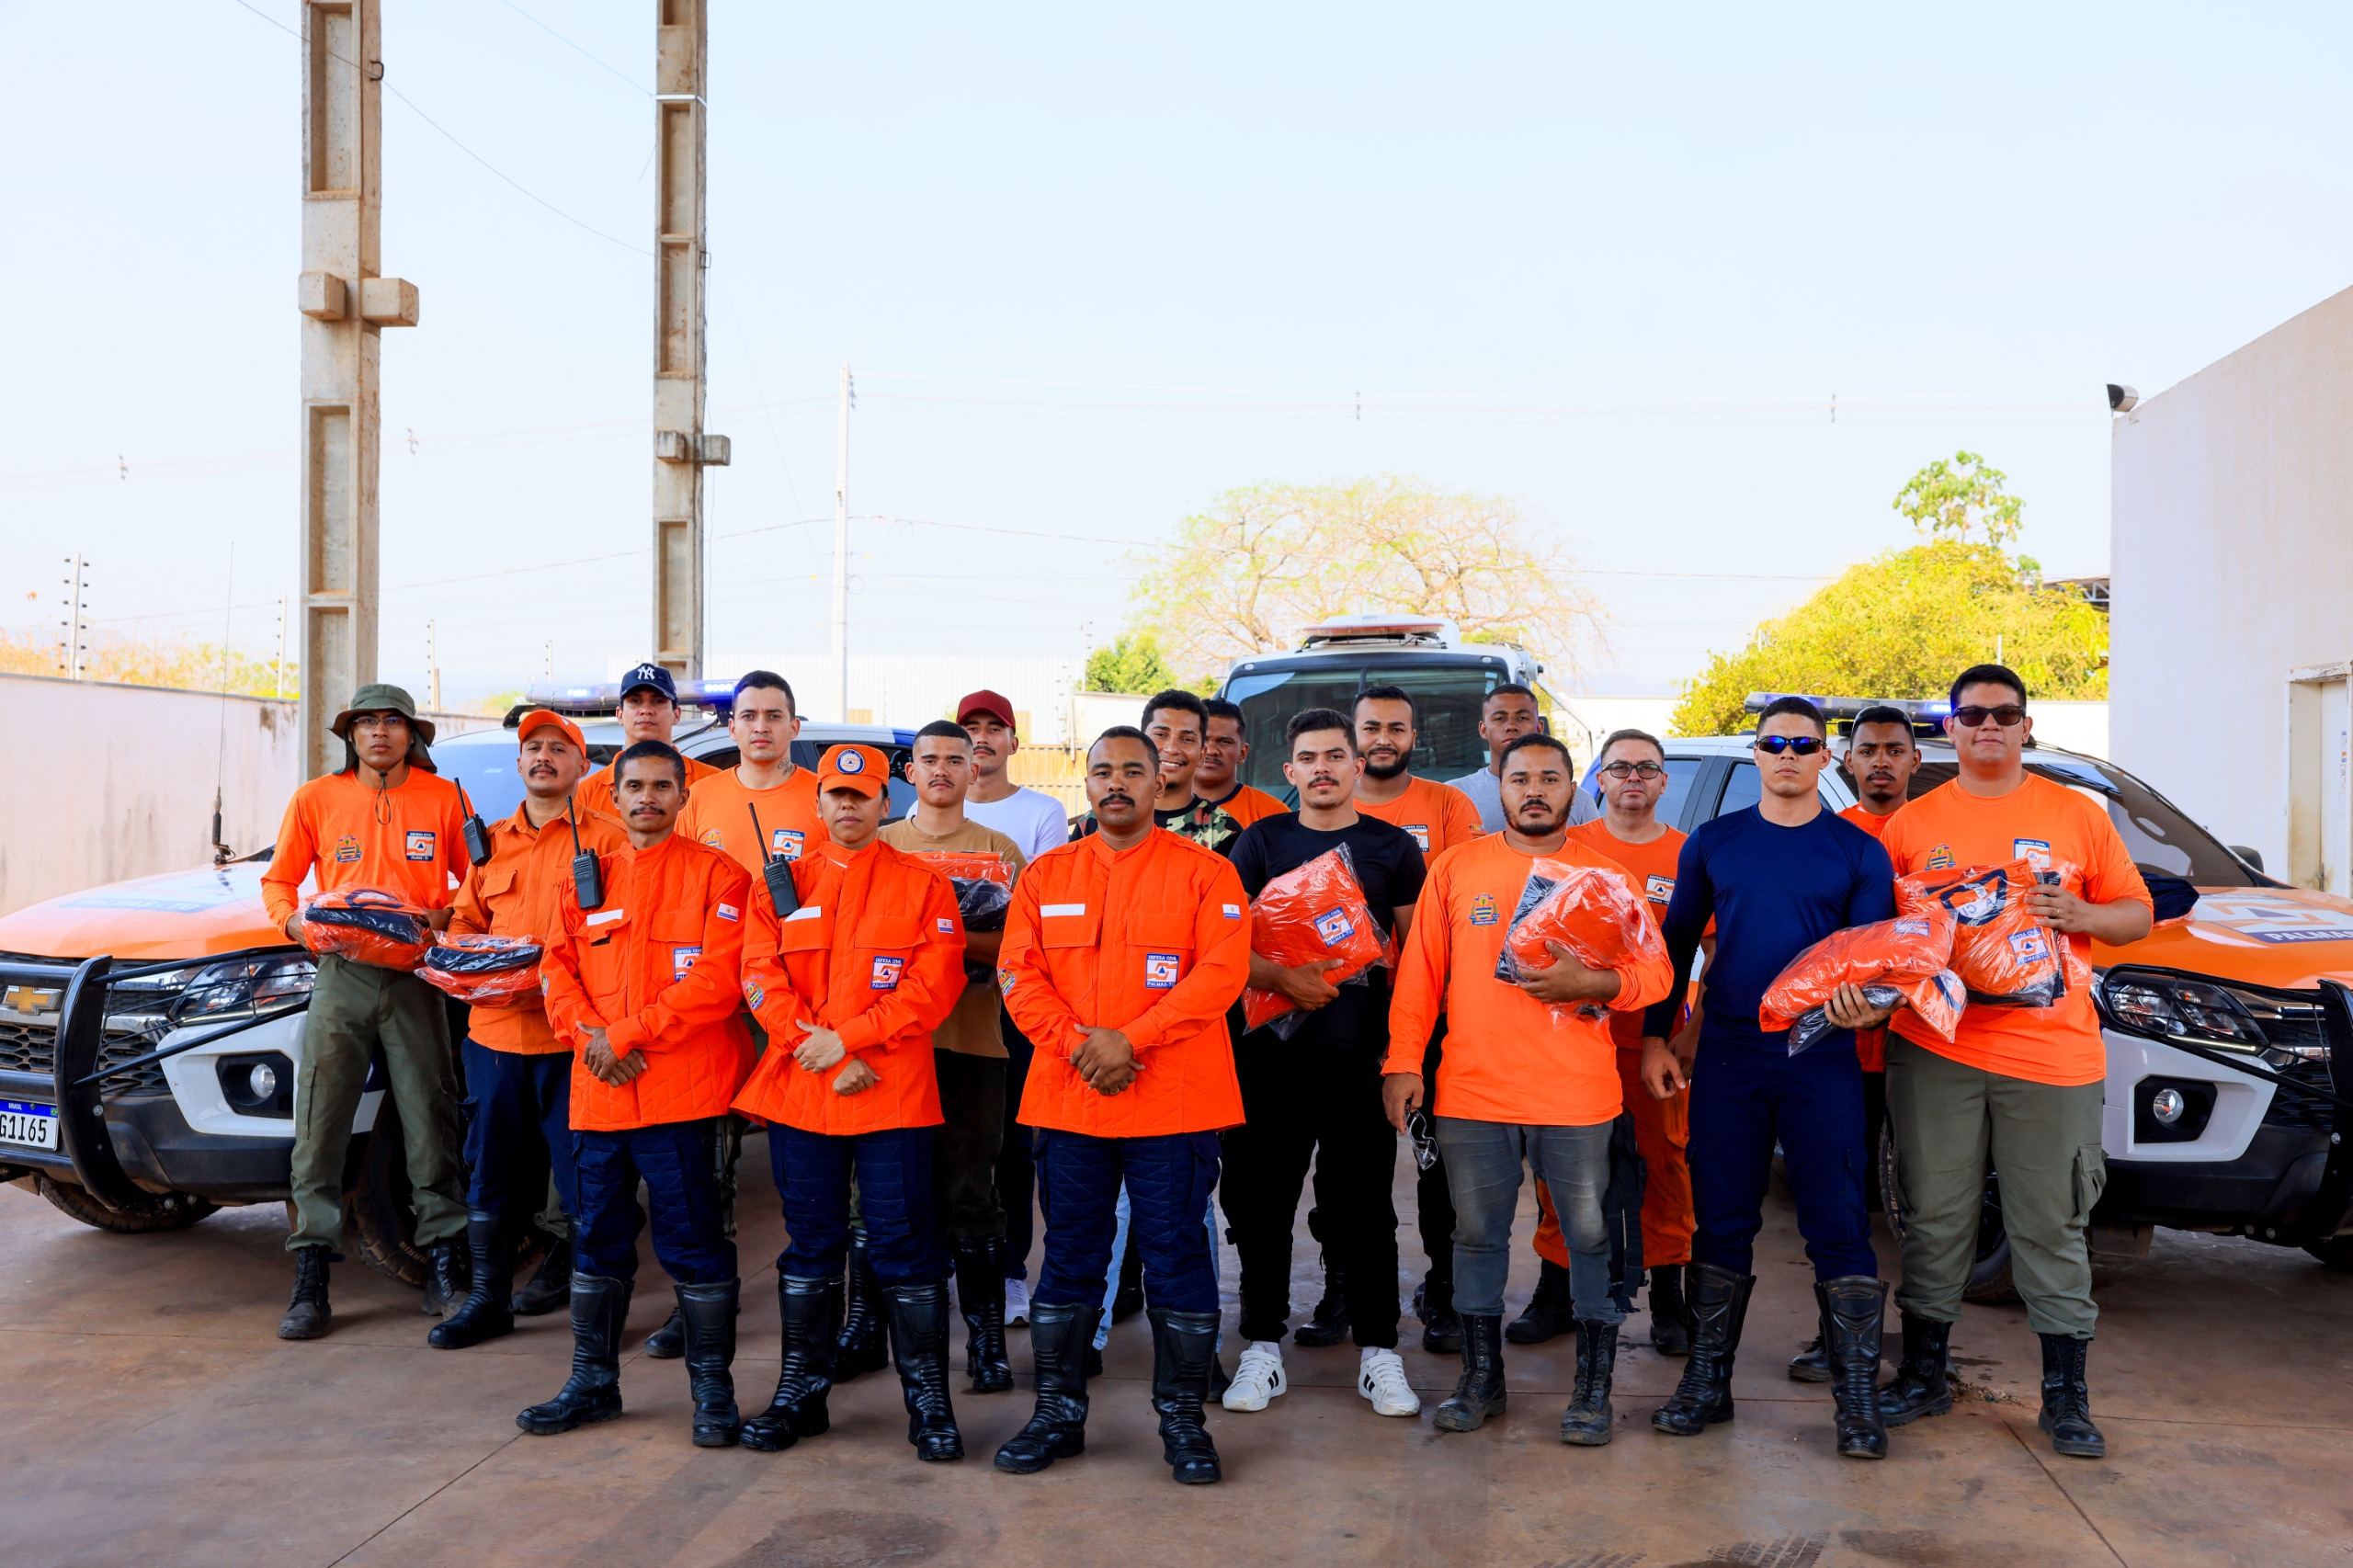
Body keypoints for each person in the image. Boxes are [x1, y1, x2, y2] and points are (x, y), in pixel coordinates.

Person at [1872, 666, 2151, 1460]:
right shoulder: (1913, 826)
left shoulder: (2076, 815)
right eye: (1972, 715)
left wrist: (2086, 913)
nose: (1988, 726)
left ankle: (2065, 1397)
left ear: (2026, 727)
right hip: (1938, 1051)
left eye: (2004, 714)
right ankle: (1924, 1374)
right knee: (1934, 1215)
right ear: (1951, 731)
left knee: (2051, 1222)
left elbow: (2136, 914)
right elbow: (1881, 937)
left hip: (2053, 1056)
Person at [1382, 733, 1672, 1444]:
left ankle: (1592, 1391)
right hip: (1473, 1095)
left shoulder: (1604, 876)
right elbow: (1419, 976)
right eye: (1520, 778)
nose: (1534, 789)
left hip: (1576, 1098)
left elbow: (1657, 979)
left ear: (1576, 789)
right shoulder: (1457, 867)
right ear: (1500, 787)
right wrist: (1402, 1063)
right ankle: (1482, 1381)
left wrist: (1595, 983)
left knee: (1591, 1238)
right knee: (1475, 1239)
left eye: (1550, 777)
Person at [1640, 697, 1898, 1460]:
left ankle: (1854, 1403)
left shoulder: (1858, 852)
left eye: (1803, 744)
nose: (1787, 754)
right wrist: (1658, 1038)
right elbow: (1674, 943)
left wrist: (1867, 1010)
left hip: (1820, 1060)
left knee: (1838, 1222)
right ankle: (1706, 1386)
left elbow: (1877, 959)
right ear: (1755, 755)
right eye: (1772, 743)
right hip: (1727, 1057)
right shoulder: (1714, 843)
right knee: (1720, 1220)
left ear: (1828, 758)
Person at [992, 728, 1251, 1484]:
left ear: (1159, 778)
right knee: (1070, 1254)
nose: (1115, 784)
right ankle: (1057, 1414)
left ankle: (1183, 1422)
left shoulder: (1206, 875)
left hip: (1172, 1103)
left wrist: (1131, 1040)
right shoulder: (1047, 876)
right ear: (1086, 781)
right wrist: (1081, 1045)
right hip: (1072, 1101)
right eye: (1101, 771)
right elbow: (1018, 972)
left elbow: (1221, 974)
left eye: (1132, 771)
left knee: (1176, 1255)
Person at [732, 744, 972, 1460]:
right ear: (818, 803)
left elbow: (934, 985)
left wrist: (853, 1043)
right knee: (811, 1247)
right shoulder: (783, 885)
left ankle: (928, 1404)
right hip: (805, 1092)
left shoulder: (924, 886)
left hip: (890, 1093)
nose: (846, 806)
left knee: (903, 1245)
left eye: (860, 796)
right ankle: (800, 1394)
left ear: (883, 803)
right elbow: (757, 974)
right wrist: (813, 1045)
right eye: (835, 795)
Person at [524, 741, 757, 1448]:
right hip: (599, 1094)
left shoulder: (720, 877)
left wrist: (624, 1033)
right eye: (635, 787)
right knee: (595, 1236)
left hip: (681, 1096)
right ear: (614, 797)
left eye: (662, 786)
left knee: (693, 1240)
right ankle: (593, 1382)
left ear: (683, 797)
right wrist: (592, 1035)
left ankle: (713, 1395)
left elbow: (717, 982)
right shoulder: (583, 879)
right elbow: (555, 969)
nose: (648, 798)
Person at [1217, 710, 1425, 1421]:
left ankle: (1380, 1353)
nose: (1324, 768)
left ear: (1358, 765)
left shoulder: (1392, 847)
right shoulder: (1261, 840)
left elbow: (1418, 963)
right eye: (1309, 757)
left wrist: (1405, 1059)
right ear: (1290, 772)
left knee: (1364, 1207)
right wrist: (1282, 978)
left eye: (1337, 755)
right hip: (1268, 1060)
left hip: (1358, 1059)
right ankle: (1261, 1348)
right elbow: (1222, 944)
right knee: (1262, 1204)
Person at [263, 684, 473, 1340]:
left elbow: (481, 880)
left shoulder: (446, 798)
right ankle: (311, 1276)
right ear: (349, 736)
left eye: (392, 722)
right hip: (341, 975)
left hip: (415, 976)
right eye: (365, 723)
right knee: (319, 1119)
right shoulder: (316, 799)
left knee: (428, 1115)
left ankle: (443, 1258)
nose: (379, 733)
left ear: (413, 734)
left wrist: (450, 918)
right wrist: (294, 923)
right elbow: (278, 880)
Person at [431, 710, 628, 1350]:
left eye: (558, 749)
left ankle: (595, 1315)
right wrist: (487, 967)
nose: (543, 757)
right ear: (520, 766)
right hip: (495, 1038)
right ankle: (489, 1299)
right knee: (489, 1172)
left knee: (585, 1181)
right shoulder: (488, 842)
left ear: (583, 767)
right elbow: (463, 927)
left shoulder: (612, 839)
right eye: (533, 749)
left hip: (577, 1044)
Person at [1511, 728, 1702, 1357]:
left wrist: (1687, 1037)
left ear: (1663, 781)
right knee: (1561, 1172)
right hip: (1572, 1044)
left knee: (1666, 1165)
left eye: (1646, 769)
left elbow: (1717, 952)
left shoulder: (1688, 853)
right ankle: (1555, 1289)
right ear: (1597, 779)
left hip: (1654, 1046)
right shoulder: (1569, 849)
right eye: (1619, 768)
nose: (1633, 779)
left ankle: (1670, 1296)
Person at [881, 722, 1029, 1394]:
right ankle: (888, 1336)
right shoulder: (880, 844)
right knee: (889, 1199)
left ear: (977, 771)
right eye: (929, 759)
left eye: (955, 760)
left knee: (975, 1195)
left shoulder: (999, 850)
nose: (942, 770)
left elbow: (1020, 952)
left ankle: (987, 1343)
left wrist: (937, 941)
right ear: (909, 771)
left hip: (973, 1045)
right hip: (886, 1049)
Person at [1787, 702, 1922, 1382]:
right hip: (1843, 1053)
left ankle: (1924, 1353)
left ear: (1913, 760)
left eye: (1893, 750)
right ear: (1846, 761)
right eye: (1867, 750)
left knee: (1924, 1201)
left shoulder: (1935, 831)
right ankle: (1835, 1338)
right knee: (1844, 1199)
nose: (1880, 761)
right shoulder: (1829, 837)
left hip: (1926, 1047)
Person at [1348, 683, 1484, 1354]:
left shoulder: (1448, 806)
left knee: (1435, 1162)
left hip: (1430, 1017)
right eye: (1371, 725)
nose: (1383, 737)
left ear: (1413, 736)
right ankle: (1344, 1282)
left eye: (1395, 728)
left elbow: (1466, 903)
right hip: (1344, 1017)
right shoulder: (1324, 803)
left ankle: (1444, 1289)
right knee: (1349, 1162)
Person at [677, 670, 828, 874]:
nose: (761, 727)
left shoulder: (825, 798)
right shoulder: (698, 797)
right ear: (732, 729)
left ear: (794, 727)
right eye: (749, 716)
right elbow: (681, 883)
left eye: (773, 716)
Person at [1072, 689, 1244, 856]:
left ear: (1202, 755)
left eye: (1187, 739)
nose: (1172, 748)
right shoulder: (1092, 823)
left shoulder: (1223, 831)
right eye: (1161, 734)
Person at [1447, 683, 1599, 833]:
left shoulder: (1578, 800)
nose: (1511, 726)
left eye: (1523, 717)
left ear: (1540, 728)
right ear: (1483, 729)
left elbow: (1592, 856)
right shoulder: (1453, 794)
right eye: (1500, 718)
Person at [577, 663, 720, 822]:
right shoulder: (585, 794)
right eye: (635, 701)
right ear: (620, 714)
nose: (646, 710)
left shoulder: (712, 783)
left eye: (658, 701)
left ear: (677, 714)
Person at [958, 689, 1072, 862]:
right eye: (972, 729)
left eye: (994, 729)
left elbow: (1045, 887)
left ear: (1013, 745)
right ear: (957, 742)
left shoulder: (1045, 812)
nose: (981, 738)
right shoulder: (925, 811)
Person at [1195, 699, 1288, 828]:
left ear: (1242, 753)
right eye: (1203, 740)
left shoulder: (1273, 814)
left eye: (1224, 741)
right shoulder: (1158, 808)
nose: (1211, 751)